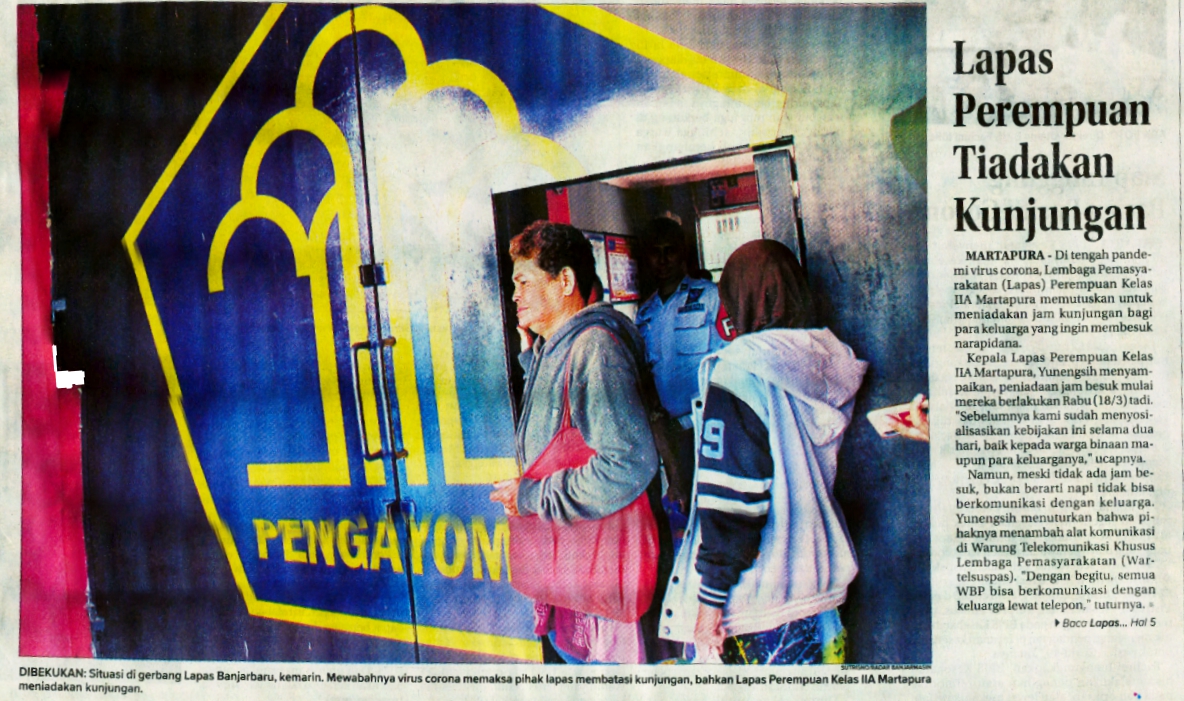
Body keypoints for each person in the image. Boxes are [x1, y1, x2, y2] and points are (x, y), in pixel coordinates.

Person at [659, 239, 867, 665]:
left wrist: (709, 605)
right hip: (820, 594)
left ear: (741, 297)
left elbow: (732, 500)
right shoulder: (825, 359)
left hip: (757, 605)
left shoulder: (739, 371)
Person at [489, 220, 670, 664]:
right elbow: (569, 432)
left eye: (523, 282)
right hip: (579, 571)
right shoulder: (563, 346)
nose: (514, 295)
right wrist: (535, 359)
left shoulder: (595, 349)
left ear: (565, 281)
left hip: (600, 578)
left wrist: (532, 496)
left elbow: (626, 464)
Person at [635, 217, 730, 510]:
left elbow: (729, 359)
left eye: (670, 250)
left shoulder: (710, 296)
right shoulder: (646, 313)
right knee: (681, 507)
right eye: (656, 252)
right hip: (668, 435)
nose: (663, 259)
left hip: (709, 426)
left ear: (683, 252)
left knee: (717, 508)